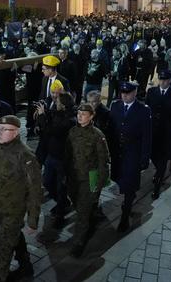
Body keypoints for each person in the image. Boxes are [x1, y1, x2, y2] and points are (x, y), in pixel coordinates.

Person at [0, 115, 42, 282]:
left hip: (13, 210)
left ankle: (0, 277)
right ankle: (26, 265)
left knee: (4, 246)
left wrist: (33, 220)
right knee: (14, 237)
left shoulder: (26, 156)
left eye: (4, 130)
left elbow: (35, 190)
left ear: (15, 132)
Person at [65, 104, 110, 257]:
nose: (80, 116)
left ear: (91, 116)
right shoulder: (72, 132)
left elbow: (103, 161)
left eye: (83, 114)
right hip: (73, 178)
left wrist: (100, 182)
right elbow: (67, 155)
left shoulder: (98, 135)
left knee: (83, 212)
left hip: (90, 178)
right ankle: (92, 215)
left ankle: (79, 242)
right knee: (78, 205)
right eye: (78, 113)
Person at [107, 81, 152, 232]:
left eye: (128, 93)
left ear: (134, 93)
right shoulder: (115, 106)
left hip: (133, 154)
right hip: (117, 154)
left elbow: (147, 137)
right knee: (120, 180)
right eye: (123, 93)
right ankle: (127, 198)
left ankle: (125, 216)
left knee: (130, 186)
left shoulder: (143, 110)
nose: (124, 96)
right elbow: (111, 129)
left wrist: (144, 158)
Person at [35, 92, 75, 228]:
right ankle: (61, 203)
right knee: (47, 182)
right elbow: (45, 131)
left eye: (57, 102)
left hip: (62, 159)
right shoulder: (55, 113)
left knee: (61, 187)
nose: (55, 103)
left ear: (63, 106)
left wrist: (42, 116)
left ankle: (60, 215)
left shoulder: (69, 120)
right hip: (51, 156)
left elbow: (52, 130)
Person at [145, 70, 171, 199]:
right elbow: (147, 110)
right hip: (152, 132)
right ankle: (158, 173)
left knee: (162, 161)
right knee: (153, 157)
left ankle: (157, 186)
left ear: (170, 80)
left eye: (165, 80)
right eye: (161, 80)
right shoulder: (151, 92)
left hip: (166, 134)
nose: (163, 82)